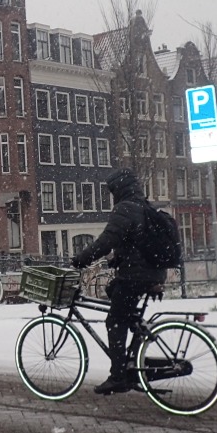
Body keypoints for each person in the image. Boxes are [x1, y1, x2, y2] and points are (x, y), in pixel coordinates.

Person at [71, 168, 168, 395]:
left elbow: (106, 241)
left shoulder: (125, 209)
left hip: (137, 276)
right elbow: (137, 243)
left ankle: (118, 376)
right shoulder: (144, 207)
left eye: (112, 190)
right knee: (115, 292)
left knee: (114, 320)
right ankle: (132, 360)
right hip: (152, 273)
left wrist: (81, 259)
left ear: (119, 189)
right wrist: (118, 259)